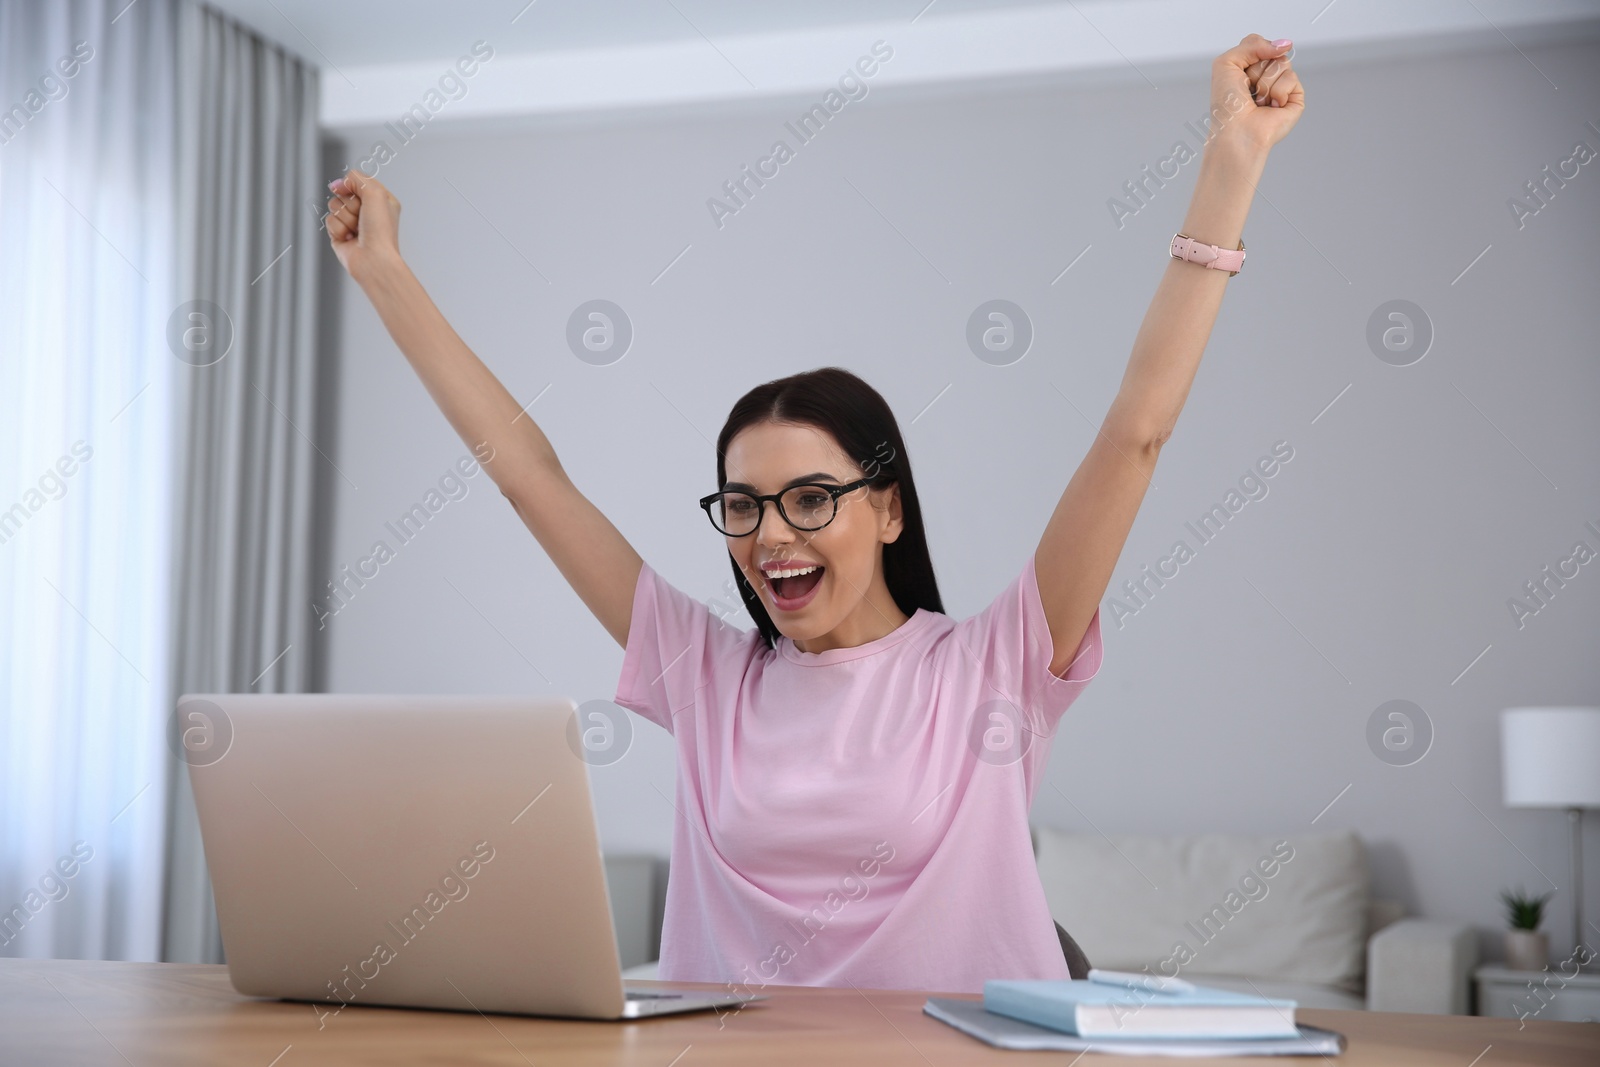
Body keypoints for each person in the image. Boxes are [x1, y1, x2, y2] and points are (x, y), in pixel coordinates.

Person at [324, 33, 1304, 996]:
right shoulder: (704, 677)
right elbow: (529, 477)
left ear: (885, 509)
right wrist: (386, 275)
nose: (769, 535)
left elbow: (1135, 431)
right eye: (743, 506)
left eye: (808, 499)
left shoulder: (992, 668)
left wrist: (1230, 162)